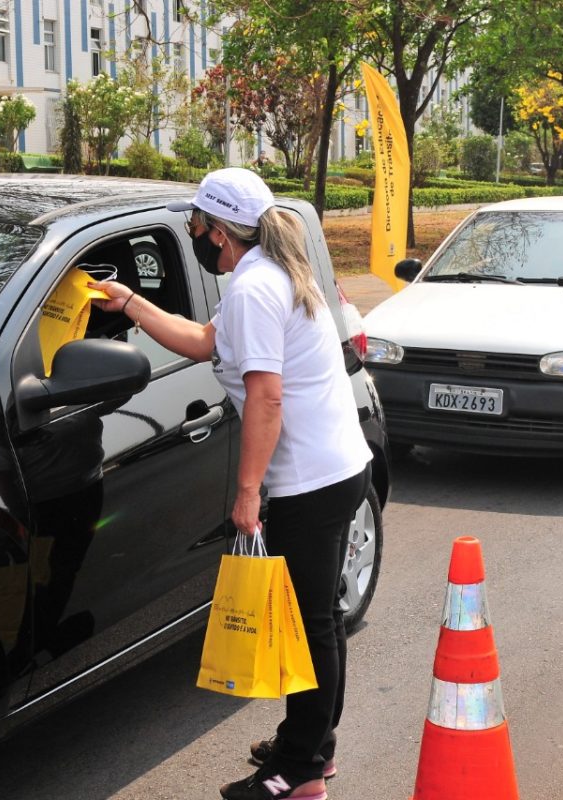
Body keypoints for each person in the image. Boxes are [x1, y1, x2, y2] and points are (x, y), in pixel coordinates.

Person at [90, 168, 373, 800]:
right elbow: (203, 343)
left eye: (195, 222)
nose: (191, 232)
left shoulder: (253, 289)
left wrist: (248, 494)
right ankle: (313, 746)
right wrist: (130, 302)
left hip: (310, 481)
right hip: (337, 468)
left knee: (310, 625)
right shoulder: (271, 276)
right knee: (319, 618)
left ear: (219, 232)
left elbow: (266, 399)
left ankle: (298, 770)